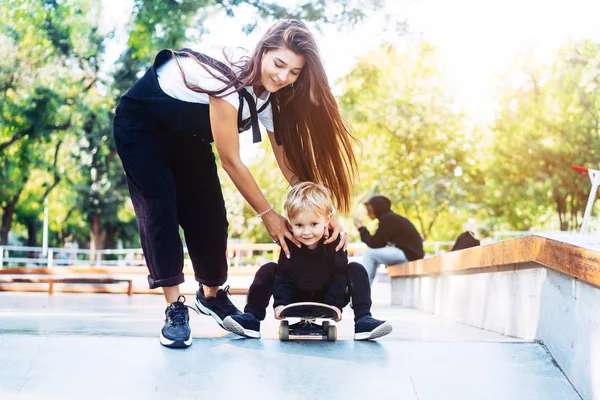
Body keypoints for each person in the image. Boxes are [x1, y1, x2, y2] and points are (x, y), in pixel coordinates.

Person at [113, 20, 357, 348]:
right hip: (142, 123)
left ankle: (210, 296)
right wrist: (268, 214)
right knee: (160, 211)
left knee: (211, 217)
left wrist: (326, 214)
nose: (283, 77)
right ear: (263, 52)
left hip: (189, 136)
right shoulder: (228, 75)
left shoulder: (271, 98)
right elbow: (231, 160)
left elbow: (290, 168)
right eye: (279, 64)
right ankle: (174, 308)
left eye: (294, 72)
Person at [222, 182, 393, 341]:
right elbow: (283, 276)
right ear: (290, 222)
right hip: (295, 297)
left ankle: (364, 320)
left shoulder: (334, 243)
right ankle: (251, 318)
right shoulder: (289, 244)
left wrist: (334, 305)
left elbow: (339, 277)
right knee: (268, 268)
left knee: (355, 268)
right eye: (299, 225)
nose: (306, 232)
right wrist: (281, 304)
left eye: (313, 224)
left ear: (327, 221)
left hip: (328, 298)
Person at [353, 196, 424, 285]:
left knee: (369, 254)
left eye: (369, 210)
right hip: (410, 254)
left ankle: (361, 291)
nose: (368, 213)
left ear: (377, 208)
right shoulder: (390, 218)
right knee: (371, 254)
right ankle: (362, 290)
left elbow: (374, 243)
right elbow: (379, 243)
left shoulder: (388, 219)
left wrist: (361, 227)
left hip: (409, 255)